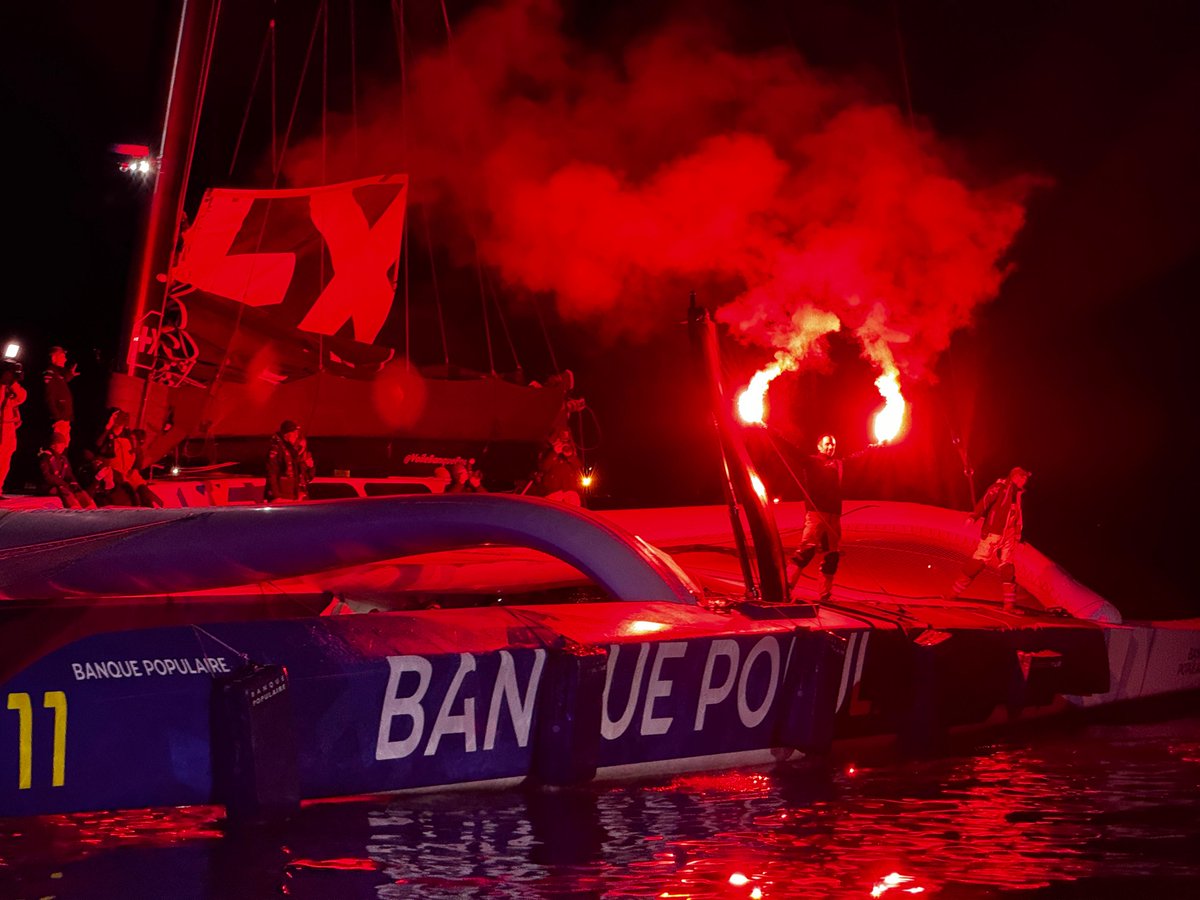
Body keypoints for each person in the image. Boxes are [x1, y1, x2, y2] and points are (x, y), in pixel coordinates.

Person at [786, 433, 874, 604]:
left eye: (833, 445)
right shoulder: (811, 462)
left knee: (832, 556)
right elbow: (791, 450)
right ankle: (786, 587)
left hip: (834, 516)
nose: (830, 447)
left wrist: (874, 447)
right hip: (816, 515)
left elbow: (857, 459)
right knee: (805, 552)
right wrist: (767, 430)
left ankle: (825, 595)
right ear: (819, 446)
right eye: (827, 444)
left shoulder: (839, 465)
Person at [948, 467, 1031, 609]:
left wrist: (1018, 534)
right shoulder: (1000, 487)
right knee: (978, 562)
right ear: (1016, 477)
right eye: (1023, 478)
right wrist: (974, 516)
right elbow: (985, 501)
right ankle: (952, 594)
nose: (1025, 482)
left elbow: (1018, 515)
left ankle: (1009, 604)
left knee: (1008, 566)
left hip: (1008, 536)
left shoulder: (1018, 494)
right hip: (994, 532)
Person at [38, 433, 96, 508]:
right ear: (53, 445)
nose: (64, 446)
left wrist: (73, 483)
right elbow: (47, 477)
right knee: (64, 490)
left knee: (76, 489)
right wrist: (63, 483)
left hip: (61, 484)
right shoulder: (45, 457)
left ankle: (88, 505)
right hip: (48, 487)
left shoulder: (63, 459)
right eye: (61, 444)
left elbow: (69, 474)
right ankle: (74, 506)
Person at [264, 420, 312, 503]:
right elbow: (272, 474)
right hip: (282, 497)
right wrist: (276, 496)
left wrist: (310, 466)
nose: (296, 436)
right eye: (294, 432)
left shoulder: (293, 451)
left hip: (293, 496)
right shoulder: (276, 450)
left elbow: (304, 476)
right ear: (286, 434)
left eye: (297, 433)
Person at [532, 429, 583, 506]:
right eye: (561, 440)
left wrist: (570, 456)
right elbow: (543, 467)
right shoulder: (546, 451)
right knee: (552, 513)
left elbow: (579, 467)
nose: (563, 443)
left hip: (570, 490)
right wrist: (554, 453)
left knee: (574, 513)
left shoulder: (571, 450)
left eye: (566, 441)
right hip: (552, 491)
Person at [0, 361, 27, 493]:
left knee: (6, 458)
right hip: (1, 425)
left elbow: (21, 397)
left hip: (9, 426)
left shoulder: (11, 386)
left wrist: (13, 383)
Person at [42, 346, 77, 446]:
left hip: (64, 418)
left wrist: (70, 375)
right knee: (57, 445)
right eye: (62, 356)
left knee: (64, 445)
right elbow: (49, 396)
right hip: (59, 419)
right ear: (54, 358)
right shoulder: (50, 372)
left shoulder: (58, 372)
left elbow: (61, 381)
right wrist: (57, 417)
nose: (65, 359)